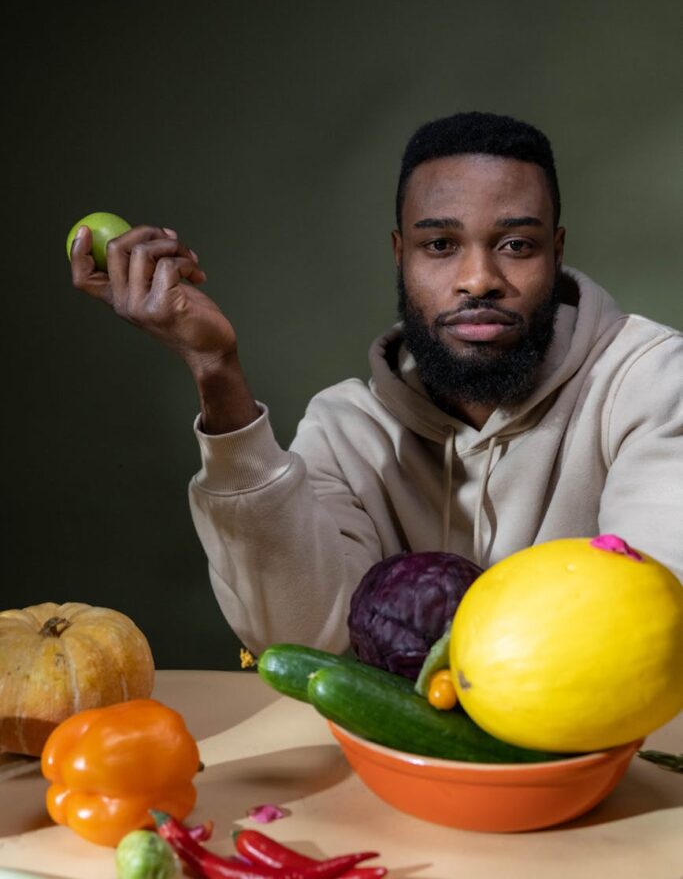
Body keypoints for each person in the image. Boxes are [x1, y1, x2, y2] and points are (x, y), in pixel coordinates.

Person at [70, 111, 683, 654]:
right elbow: (302, 636)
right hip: (395, 778)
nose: (478, 278)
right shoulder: (345, 431)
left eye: (516, 244)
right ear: (400, 255)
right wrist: (215, 368)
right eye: (440, 244)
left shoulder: (650, 381)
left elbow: (656, 619)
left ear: (556, 250)